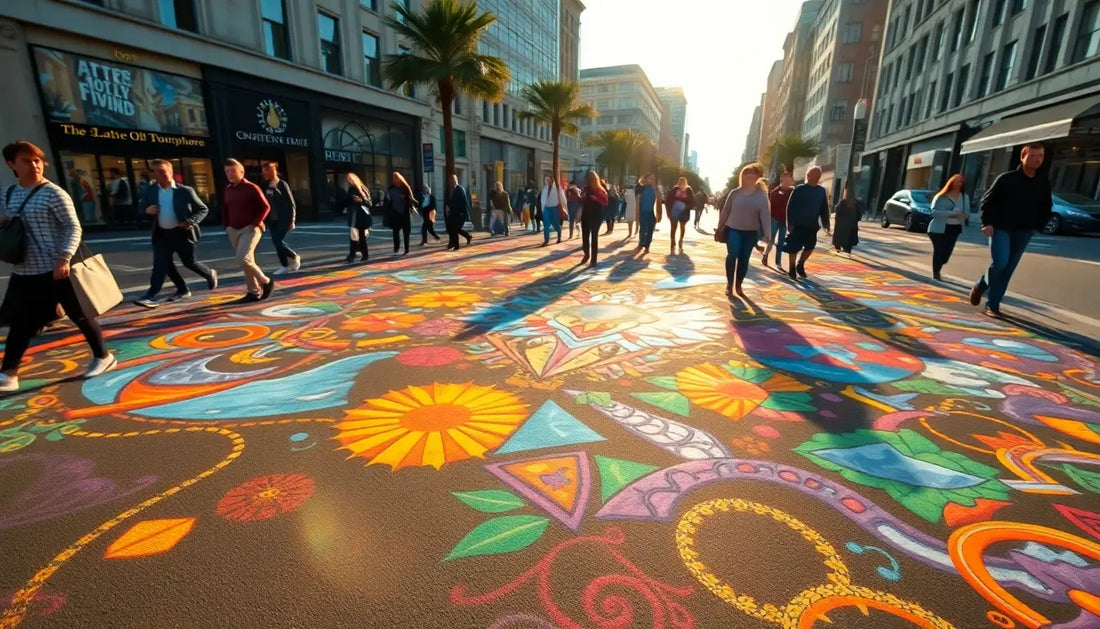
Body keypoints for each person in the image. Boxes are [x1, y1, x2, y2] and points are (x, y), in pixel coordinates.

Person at [0, 141, 116, 393]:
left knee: (81, 316)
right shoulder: (8, 193)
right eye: (26, 160)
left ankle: (103, 357)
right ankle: (9, 373)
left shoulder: (54, 193)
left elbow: (73, 226)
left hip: (56, 268)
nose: (34, 165)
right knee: (20, 323)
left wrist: (64, 257)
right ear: (11, 164)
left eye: (37, 160)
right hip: (24, 270)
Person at [969, 143, 1052, 318]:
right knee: (1000, 263)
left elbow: (1047, 207)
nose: (1037, 160)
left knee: (1008, 270)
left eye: (1040, 156)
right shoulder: (1006, 178)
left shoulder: (1043, 182)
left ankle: (992, 305)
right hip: (1000, 228)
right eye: (1032, 155)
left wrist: (1038, 226)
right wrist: (986, 223)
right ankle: (981, 284)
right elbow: (987, 201)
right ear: (1023, 157)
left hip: (1024, 231)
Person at [132, 159, 218, 308]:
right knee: (161, 264)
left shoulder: (185, 191)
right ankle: (152, 295)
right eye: (155, 172)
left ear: (171, 173)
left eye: (162, 172)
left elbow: (203, 209)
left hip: (181, 233)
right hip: (161, 234)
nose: (158, 175)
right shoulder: (151, 190)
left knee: (188, 262)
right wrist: (146, 211)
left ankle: (208, 274)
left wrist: (190, 221)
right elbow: (140, 209)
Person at [221, 158, 274, 302]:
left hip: (250, 229)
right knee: (247, 261)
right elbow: (226, 209)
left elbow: (266, 207)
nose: (230, 174)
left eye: (232, 171)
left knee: (242, 258)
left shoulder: (251, 188)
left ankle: (266, 281)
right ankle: (253, 292)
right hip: (233, 229)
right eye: (227, 171)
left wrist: (255, 223)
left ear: (241, 172)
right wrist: (226, 226)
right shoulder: (228, 190)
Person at [717, 163, 771, 298]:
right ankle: (729, 285)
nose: (749, 175)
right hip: (733, 229)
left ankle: (738, 285)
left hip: (751, 232)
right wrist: (720, 226)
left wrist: (768, 232)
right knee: (732, 255)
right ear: (742, 176)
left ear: (757, 176)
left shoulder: (761, 195)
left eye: (752, 173)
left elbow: (765, 214)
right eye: (746, 173)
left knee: (744, 259)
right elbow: (726, 211)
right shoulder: (735, 193)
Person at [782, 166, 830, 280]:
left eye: (818, 175)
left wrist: (826, 224)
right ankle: (792, 268)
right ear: (808, 176)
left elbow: (824, 208)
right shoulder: (799, 189)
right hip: (798, 225)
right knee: (793, 247)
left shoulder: (821, 191)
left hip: (812, 226)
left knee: (810, 247)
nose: (816, 177)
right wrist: (790, 223)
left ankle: (800, 264)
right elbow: (790, 207)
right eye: (813, 174)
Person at [928, 174, 969, 281]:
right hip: (938, 229)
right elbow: (934, 213)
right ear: (951, 183)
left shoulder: (964, 197)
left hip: (954, 228)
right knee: (939, 251)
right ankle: (936, 272)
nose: (959, 183)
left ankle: (939, 264)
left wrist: (962, 215)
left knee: (946, 255)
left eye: (961, 181)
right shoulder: (941, 196)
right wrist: (951, 213)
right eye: (957, 181)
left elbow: (967, 214)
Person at [262, 162, 300, 275]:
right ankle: (284, 266)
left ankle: (293, 256)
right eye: (264, 171)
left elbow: (291, 203)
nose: (266, 173)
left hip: (283, 219)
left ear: (274, 170)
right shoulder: (265, 185)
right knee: (276, 242)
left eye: (269, 170)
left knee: (277, 240)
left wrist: (292, 220)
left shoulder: (282, 184)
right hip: (271, 219)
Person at [763, 171, 793, 267]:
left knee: (781, 241)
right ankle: (765, 255)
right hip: (775, 218)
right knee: (771, 239)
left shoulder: (792, 192)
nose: (788, 181)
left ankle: (778, 261)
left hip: (785, 220)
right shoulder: (775, 192)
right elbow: (772, 205)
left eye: (789, 179)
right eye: (786, 179)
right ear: (782, 180)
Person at [579, 170, 608, 267]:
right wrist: (581, 197)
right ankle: (586, 254)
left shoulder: (600, 189)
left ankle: (593, 259)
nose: (589, 180)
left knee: (594, 237)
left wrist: (596, 198)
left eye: (591, 178)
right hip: (585, 215)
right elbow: (582, 201)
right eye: (588, 178)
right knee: (585, 237)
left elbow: (605, 202)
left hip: (596, 216)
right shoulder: (586, 189)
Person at [344, 172, 372, 263]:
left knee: (362, 238)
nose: (350, 181)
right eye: (348, 180)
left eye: (351, 179)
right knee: (353, 237)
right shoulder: (350, 189)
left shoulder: (363, 189)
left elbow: (369, 204)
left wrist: (361, 200)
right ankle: (352, 255)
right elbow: (347, 202)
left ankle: (364, 255)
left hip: (362, 217)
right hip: (353, 216)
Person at [386, 171, 415, 256]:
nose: (395, 180)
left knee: (406, 232)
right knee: (395, 232)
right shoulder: (391, 188)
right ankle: (396, 247)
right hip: (395, 213)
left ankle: (407, 249)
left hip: (405, 212)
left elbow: (412, 200)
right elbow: (387, 200)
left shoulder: (405, 187)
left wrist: (406, 197)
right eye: (394, 178)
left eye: (396, 178)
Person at [444, 173, 474, 250]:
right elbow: (446, 200)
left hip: (460, 214)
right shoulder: (448, 190)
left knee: (455, 229)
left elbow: (463, 202)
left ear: (456, 180)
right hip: (451, 214)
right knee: (452, 229)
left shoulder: (460, 189)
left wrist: (462, 212)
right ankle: (467, 236)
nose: (452, 181)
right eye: (451, 180)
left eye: (453, 180)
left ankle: (456, 245)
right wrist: (446, 207)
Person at [666, 177, 694, 254]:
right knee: (673, 226)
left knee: (682, 226)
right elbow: (668, 200)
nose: (682, 184)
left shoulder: (689, 190)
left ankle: (681, 240)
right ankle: (672, 241)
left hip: (684, 211)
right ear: (678, 183)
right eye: (680, 182)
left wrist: (686, 206)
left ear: (686, 183)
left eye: (683, 182)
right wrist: (668, 212)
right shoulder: (674, 190)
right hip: (674, 210)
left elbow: (692, 201)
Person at [831, 184, 862, 255]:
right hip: (850, 225)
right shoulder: (855, 202)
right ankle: (846, 249)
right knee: (848, 242)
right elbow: (859, 214)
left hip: (843, 226)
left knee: (841, 239)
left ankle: (840, 248)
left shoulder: (843, 202)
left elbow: (838, 213)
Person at [635, 173, 659, 254]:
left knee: (650, 229)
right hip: (643, 211)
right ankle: (641, 243)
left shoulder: (655, 189)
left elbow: (658, 201)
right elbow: (638, 201)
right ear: (646, 179)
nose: (652, 180)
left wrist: (658, 214)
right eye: (650, 178)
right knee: (643, 229)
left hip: (652, 212)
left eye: (653, 178)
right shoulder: (641, 188)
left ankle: (647, 246)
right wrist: (637, 212)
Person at [538, 174, 563, 245]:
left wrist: (564, 207)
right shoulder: (545, 189)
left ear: (552, 180)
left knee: (555, 224)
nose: (547, 181)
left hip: (554, 208)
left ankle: (559, 233)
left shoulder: (557, 188)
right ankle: (546, 240)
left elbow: (562, 198)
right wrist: (543, 209)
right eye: (546, 180)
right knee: (546, 225)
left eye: (549, 180)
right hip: (546, 208)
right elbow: (542, 200)